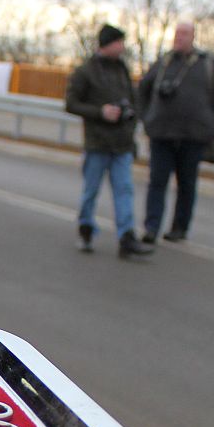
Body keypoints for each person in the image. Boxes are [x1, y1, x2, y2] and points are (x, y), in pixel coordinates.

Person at [137, 21, 214, 243]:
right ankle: (152, 227)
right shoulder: (163, 62)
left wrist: (212, 122)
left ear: (193, 37)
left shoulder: (207, 64)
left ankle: (180, 227)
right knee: (157, 182)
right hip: (162, 133)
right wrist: (146, 118)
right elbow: (143, 89)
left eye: (184, 34)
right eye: (177, 33)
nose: (179, 37)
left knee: (187, 184)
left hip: (193, 136)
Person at [65, 24, 154, 259]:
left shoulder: (122, 69)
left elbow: (134, 101)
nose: (122, 47)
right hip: (97, 143)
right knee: (91, 191)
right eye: (119, 42)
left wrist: (130, 118)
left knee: (124, 190)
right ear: (107, 43)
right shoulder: (87, 71)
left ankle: (126, 237)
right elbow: (71, 103)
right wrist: (100, 112)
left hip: (121, 143)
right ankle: (86, 228)